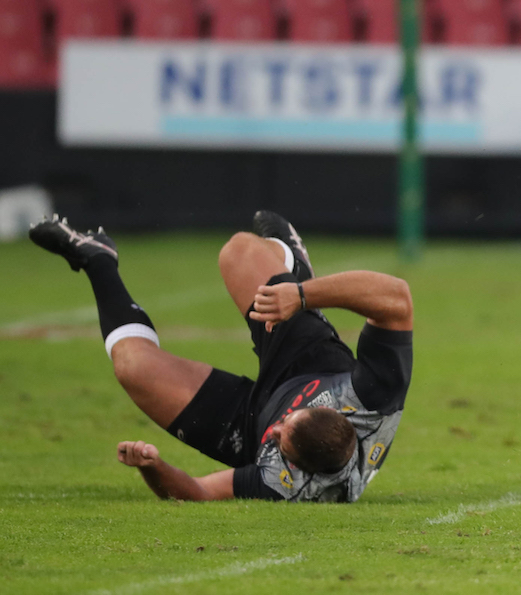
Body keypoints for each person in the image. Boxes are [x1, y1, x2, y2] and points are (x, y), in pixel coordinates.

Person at [29, 211, 413, 502]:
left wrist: (153, 466)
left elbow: (199, 490)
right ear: (329, 408)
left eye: (281, 442)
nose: (276, 431)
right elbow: (397, 298)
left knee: (134, 368)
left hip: (247, 423)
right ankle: (293, 265)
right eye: (287, 424)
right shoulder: (373, 398)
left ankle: (97, 258)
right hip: (309, 362)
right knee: (239, 251)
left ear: (295, 465)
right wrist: (300, 296)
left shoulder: (284, 482)